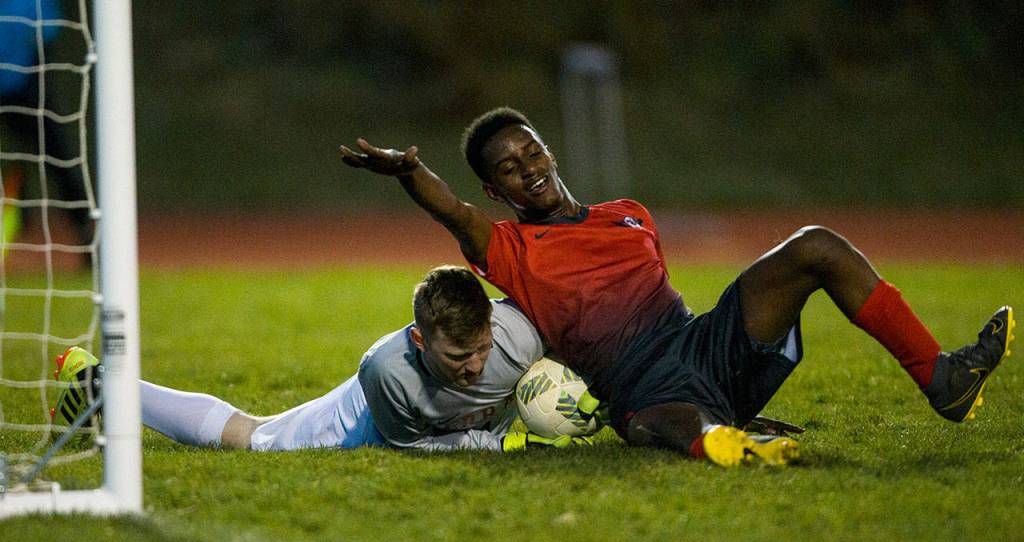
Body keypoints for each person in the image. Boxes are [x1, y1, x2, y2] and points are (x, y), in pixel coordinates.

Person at [338, 107, 1015, 467]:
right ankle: (730, 441)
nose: (528, 170)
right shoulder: (508, 248)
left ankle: (944, 380)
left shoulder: (629, 214)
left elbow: (669, 303)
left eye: (532, 152)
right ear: (496, 191)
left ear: (550, 150)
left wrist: (719, 368)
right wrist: (405, 173)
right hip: (640, 390)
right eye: (509, 170)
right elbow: (451, 211)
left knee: (815, 246)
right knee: (673, 422)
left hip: (699, 345)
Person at [52, 266, 592, 453]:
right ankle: (100, 382)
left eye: (481, 349)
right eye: (458, 356)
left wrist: (596, 402)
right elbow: (415, 447)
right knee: (252, 438)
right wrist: (502, 443)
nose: (475, 366)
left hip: (450, 420)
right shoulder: (388, 373)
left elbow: (583, 347)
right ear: (421, 341)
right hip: (370, 424)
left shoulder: (519, 334)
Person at [0, 0, 93, 251]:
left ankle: (86, 229)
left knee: (58, 157)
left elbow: (47, 40)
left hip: (28, 89)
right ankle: (21, 216)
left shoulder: (32, 3)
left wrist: (34, 85)